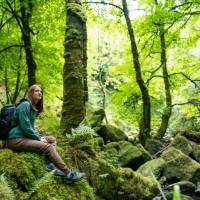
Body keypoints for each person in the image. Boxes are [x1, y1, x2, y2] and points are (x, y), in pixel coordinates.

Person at [7, 84, 85, 184]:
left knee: (52, 139)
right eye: (37, 91)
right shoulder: (25, 105)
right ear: (31, 93)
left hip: (23, 137)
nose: (40, 93)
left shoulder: (32, 107)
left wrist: (39, 136)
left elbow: (30, 128)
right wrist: (38, 139)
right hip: (16, 139)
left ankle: (49, 164)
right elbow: (25, 127)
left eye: (41, 91)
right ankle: (69, 174)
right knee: (48, 147)